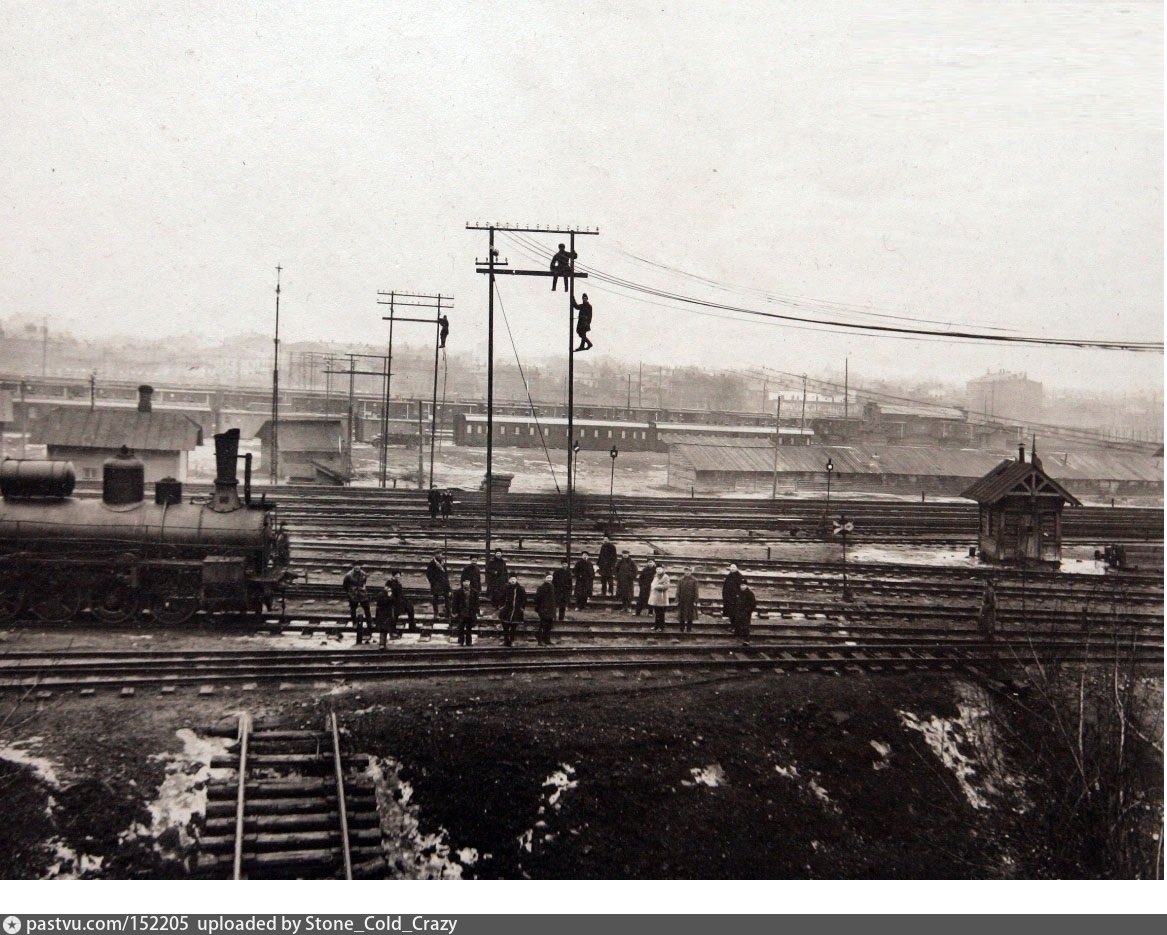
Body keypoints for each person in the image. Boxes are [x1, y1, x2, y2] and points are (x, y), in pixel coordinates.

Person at [342, 564, 372, 644]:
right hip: (353, 594)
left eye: (358, 566)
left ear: (360, 566)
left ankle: (370, 623)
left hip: (362, 593)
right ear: (353, 567)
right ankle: (354, 623)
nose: (357, 567)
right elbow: (345, 585)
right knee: (353, 609)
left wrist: (363, 588)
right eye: (355, 566)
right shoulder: (348, 575)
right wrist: (349, 593)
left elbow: (364, 582)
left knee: (367, 608)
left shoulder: (363, 574)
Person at [499, 575, 527, 647]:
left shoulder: (520, 589)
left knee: (513, 627)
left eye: (514, 579)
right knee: (505, 626)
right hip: (506, 610)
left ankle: (512, 640)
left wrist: (522, 607)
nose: (513, 580)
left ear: (516, 580)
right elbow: (501, 597)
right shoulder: (505, 588)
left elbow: (524, 599)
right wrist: (501, 606)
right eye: (511, 579)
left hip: (516, 610)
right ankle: (506, 640)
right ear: (509, 580)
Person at [450, 580, 478, 646]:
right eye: (465, 586)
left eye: (467, 586)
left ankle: (469, 642)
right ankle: (461, 641)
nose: (466, 587)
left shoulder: (474, 592)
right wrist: (454, 612)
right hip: (461, 613)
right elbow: (455, 603)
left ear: (469, 585)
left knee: (469, 628)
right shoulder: (458, 592)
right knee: (461, 628)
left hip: (470, 613)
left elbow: (477, 603)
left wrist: (476, 611)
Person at [425, 553, 451, 622]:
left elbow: (446, 574)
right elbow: (428, 574)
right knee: (435, 598)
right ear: (435, 555)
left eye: (441, 554)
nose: (441, 556)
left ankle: (448, 613)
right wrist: (433, 582)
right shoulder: (432, 563)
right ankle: (436, 613)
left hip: (444, 583)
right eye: (439, 554)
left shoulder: (443, 563)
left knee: (447, 598)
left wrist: (448, 585)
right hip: (436, 584)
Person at [374, 578, 398, 646]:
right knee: (383, 630)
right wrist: (389, 597)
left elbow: (393, 602)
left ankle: (383, 644)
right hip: (382, 615)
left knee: (385, 630)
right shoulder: (381, 594)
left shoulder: (388, 594)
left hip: (386, 615)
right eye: (388, 588)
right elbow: (383, 602)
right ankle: (382, 644)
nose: (389, 589)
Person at [534, 573, 556, 645]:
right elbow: (537, 599)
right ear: (545, 578)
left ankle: (547, 640)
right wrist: (540, 608)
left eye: (550, 577)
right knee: (542, 625)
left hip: (551, 609)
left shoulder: (552, 586)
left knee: (549, 626)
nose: (549, 579)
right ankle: (540, 641)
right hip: (543, 609)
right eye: (548, 578)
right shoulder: (541, 587)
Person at [648, 566, 671, 631]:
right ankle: (656, 626)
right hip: (655, 597)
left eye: (660, 569)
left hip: (662, 597)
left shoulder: (665, 576)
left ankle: (661, 627)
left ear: (663, 569)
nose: (658, 570)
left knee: (661, 613)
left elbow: (666, 586)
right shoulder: (655, 576)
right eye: (657, 569)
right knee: (656, 612)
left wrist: (657, 587)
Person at [677, 568, 700, 632]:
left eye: (689, 571)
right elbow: (678, 590)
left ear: (691, 572)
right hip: (682, 600)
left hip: (690, 600)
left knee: (690, 615)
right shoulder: (680, 580)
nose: (687, 572)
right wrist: (677, 599)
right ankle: (681, 628)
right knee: (682, 615)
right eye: (686, 571)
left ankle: (689, 629)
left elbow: (696, 591)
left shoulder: (694, 580)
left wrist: (696, 600)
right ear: (684, 572)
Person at [978, 577, 997, 642]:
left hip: (989, 609)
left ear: (987, 583)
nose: (983, 584)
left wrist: (985, 608)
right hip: (987, 607)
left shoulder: (990, 591)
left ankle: (989, 636)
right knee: (986, 622)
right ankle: (988, 636)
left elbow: (992, 603)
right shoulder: (988, 590)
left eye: (984, 583)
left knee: (988, 622)